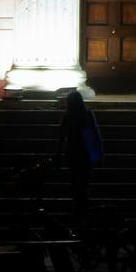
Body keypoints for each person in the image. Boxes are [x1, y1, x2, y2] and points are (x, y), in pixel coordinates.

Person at [54, 88, 103, 225]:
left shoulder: (67, 116)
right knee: (84, 183)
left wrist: (58, 155)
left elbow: (61, 137)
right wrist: (100, 152)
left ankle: (78, 209)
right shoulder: (87, 114)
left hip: (73, 153)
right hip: (85, 154)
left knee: (75, 182)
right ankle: (83, 211)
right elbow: (95, 133)